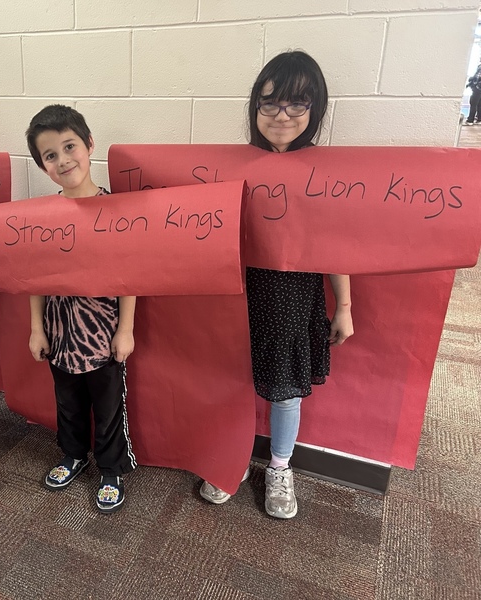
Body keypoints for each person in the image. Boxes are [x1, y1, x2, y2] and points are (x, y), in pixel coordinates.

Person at [199, 51, 354, 519]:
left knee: (285, 390)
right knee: (234, 380)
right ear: (255, 109)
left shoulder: (322, 174)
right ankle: (233, 459)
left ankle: (281, 466)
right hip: (238, 294)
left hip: (292, 299)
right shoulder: (235, 166)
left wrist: (344, 304)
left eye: (295, 105)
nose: (281, 116)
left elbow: (335, 245)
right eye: (269, 105)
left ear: (315, 109)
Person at [25, 104, 137, 513]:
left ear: (89, 145)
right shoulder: (43, 217)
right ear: (42, 165)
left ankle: (110, 469)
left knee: (107, 409)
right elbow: (34, 278)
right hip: (59, 333)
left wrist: (125, 329)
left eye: (69, 146)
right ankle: (73, 454)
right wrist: (37, 328)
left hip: (103, 334)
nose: (63, 160)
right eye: (50, 155)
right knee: (67, 403)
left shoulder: (117, 213)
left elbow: (130, 277)